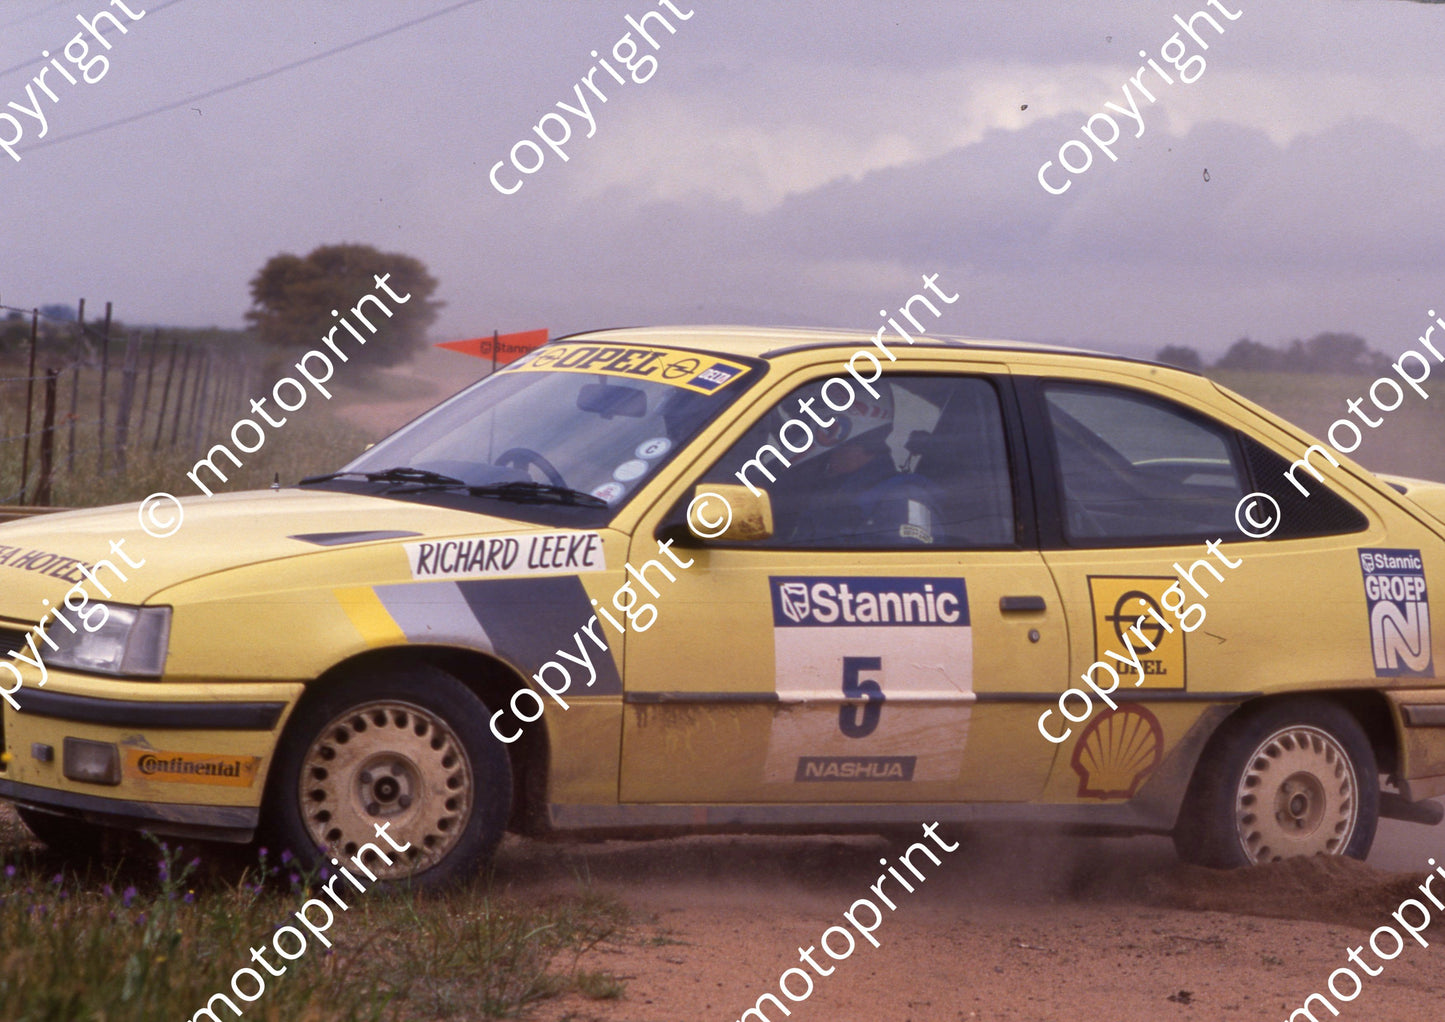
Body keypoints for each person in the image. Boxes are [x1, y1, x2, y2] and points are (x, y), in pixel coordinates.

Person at [769, 380, 940, 546]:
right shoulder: (822, 491)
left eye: (803, 420)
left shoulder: (901, 498)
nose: (794, 430)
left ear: (836, 428)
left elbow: (905, 572)